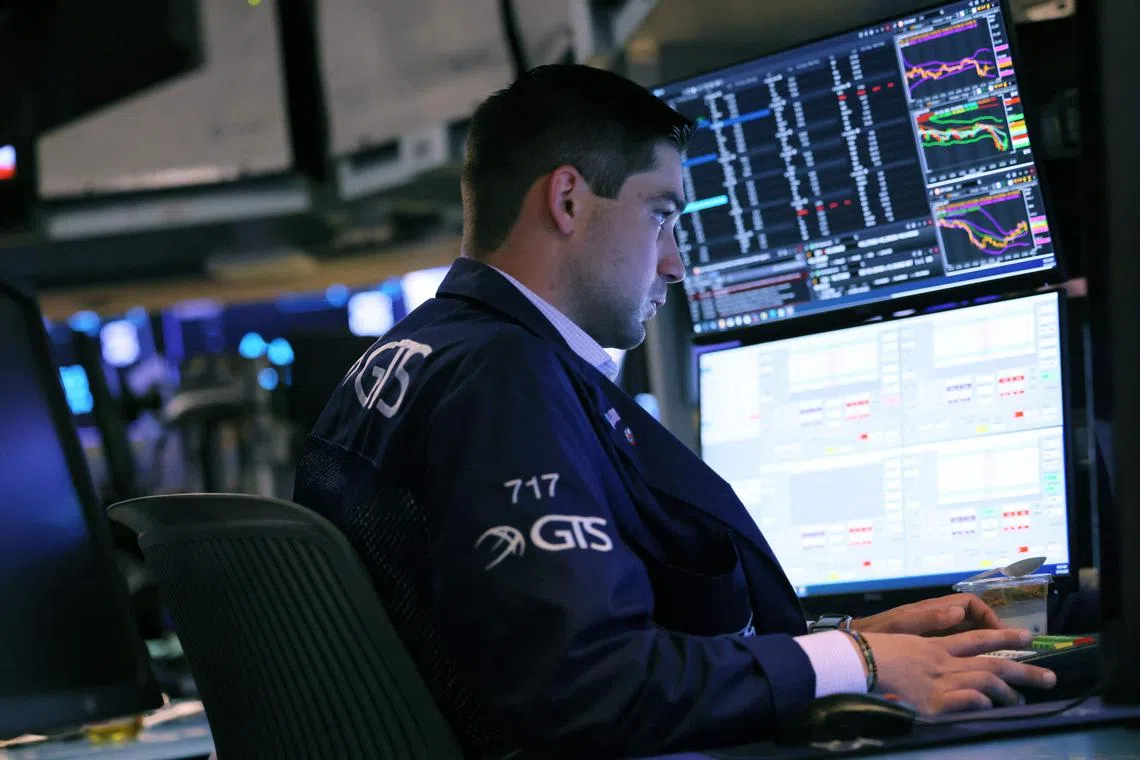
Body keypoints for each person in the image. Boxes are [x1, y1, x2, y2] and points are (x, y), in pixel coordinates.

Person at [293, 64, 1056, 759]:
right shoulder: (505, 378)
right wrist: (854, 665)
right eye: (660, 214)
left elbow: (542, 639)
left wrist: (843, 644)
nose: (676, 262)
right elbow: (592, 685)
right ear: (567, 200)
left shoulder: (412, 357)